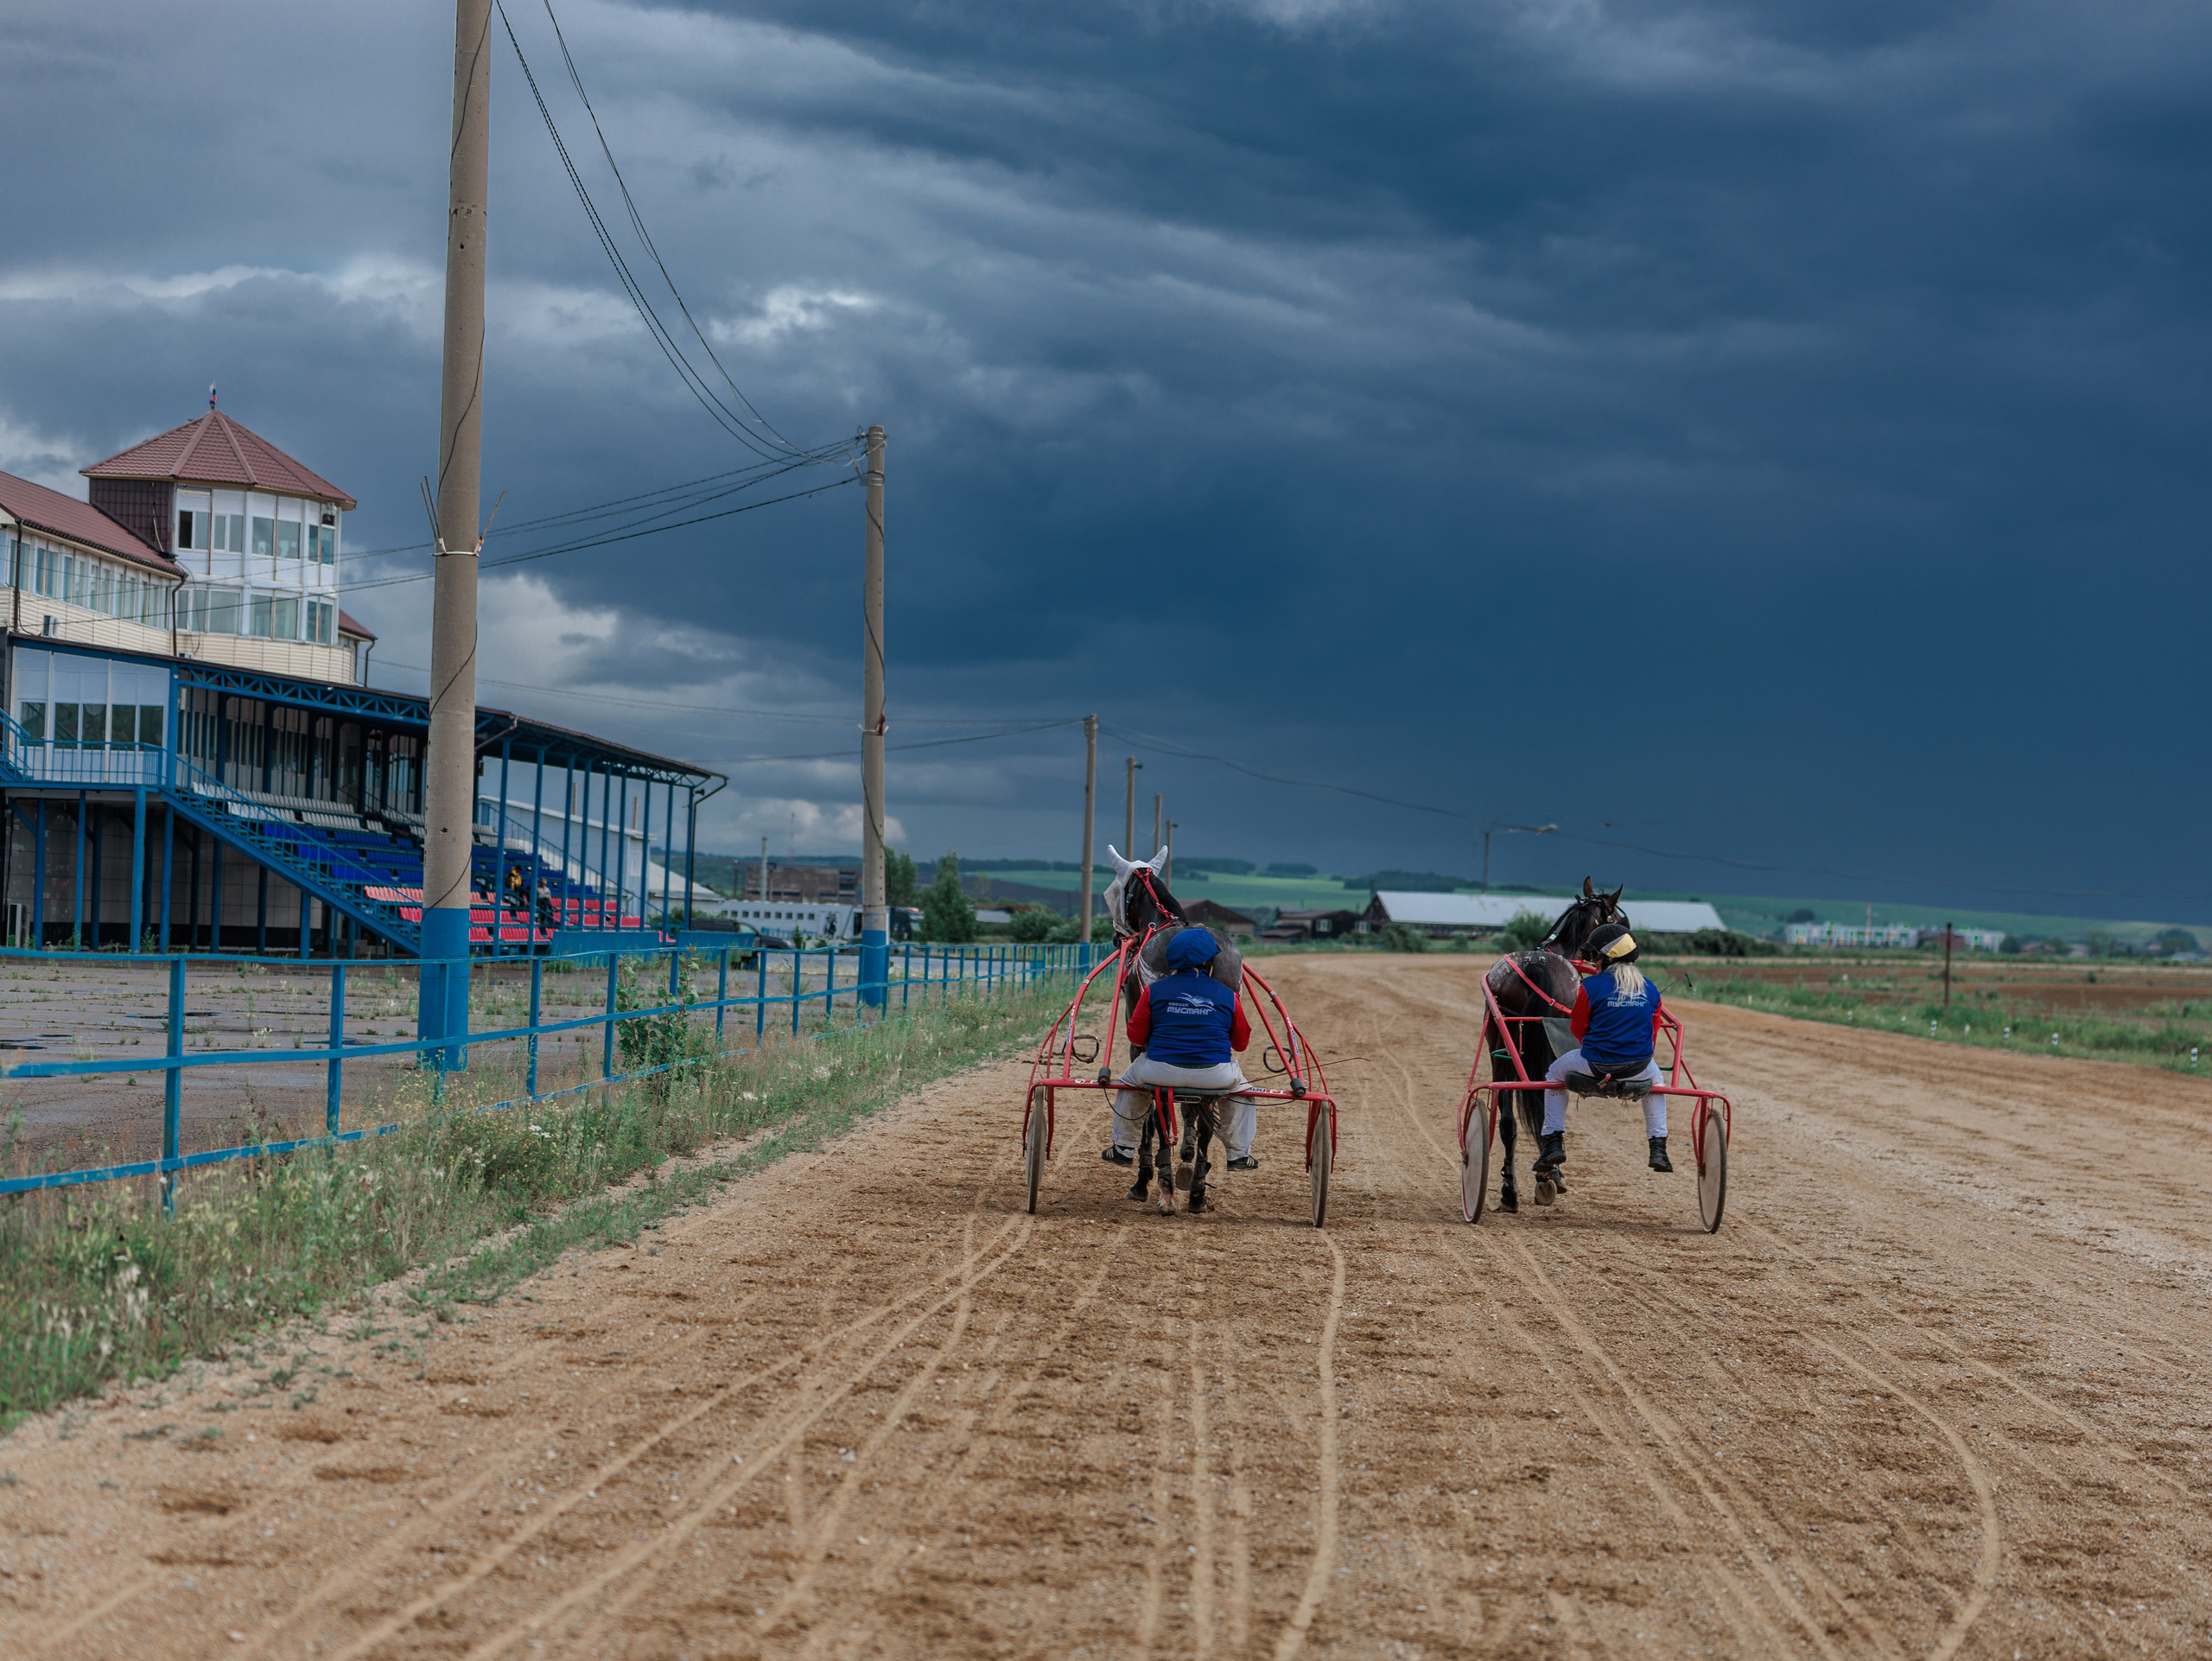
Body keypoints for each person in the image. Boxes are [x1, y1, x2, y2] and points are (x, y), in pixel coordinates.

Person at [1103, 926, 1261, 1172]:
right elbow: (1240, 1044)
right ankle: (1238, 1155)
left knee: (1129, 1082)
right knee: (1242, 1091)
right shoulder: (1229, 996)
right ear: (1210, 962)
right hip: (1215, 1075)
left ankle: (1123, 1148)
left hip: (1158, 1071)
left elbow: (1136, 1038)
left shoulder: (1153, 991)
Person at [1538, 924, 1671, 1178]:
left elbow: (1578, 1029)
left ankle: (1553, 1142)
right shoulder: (1651, 988)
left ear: (1608, 957)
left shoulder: (1591, 986)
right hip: (1639, 1066)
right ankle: (1658, 1147)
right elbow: (1652, 1033)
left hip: (1595, 1063)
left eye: (1595, 956)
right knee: (1658, 1082)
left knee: (1554, 1073)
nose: (1593, 962)